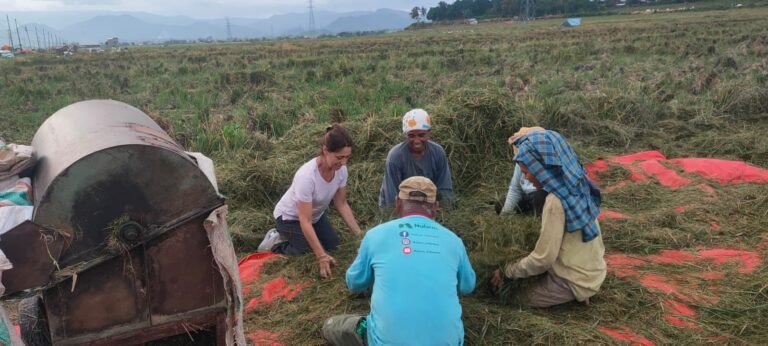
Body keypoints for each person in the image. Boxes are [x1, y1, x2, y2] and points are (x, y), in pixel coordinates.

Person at [323, 176, 476, 346]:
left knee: (331, 327)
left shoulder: (375, 235)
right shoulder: (453, 240)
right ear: (435, 207)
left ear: (397, 203)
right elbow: (467, 286)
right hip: (448, 341)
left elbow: (354, 283)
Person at [491, 130, 606, 308]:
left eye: (527, 172)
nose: (526, 178)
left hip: (573, 280)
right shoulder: (575, 181)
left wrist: (507, 270)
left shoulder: (555, 202)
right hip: (593, 270)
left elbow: (542, 260)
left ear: (541, 168)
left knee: (509, 294)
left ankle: (573, 295)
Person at [266, 124, 362, 278]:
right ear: (325, 150)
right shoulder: (307, 176)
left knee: (334, 247)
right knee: (308, 254)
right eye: (339, 157)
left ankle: (309, 243)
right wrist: (321, 256)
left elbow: (342, 204)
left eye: (347, 157)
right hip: (290, 218)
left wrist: (360, 236)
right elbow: (305, 220)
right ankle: (276, 243)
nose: (344, 162)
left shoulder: (341, 171)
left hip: (315, 216)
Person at [378, 108, 454, 210]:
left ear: (429, 133)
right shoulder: (395, 157)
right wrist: (395, 216)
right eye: (411, 136)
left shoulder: (438, 153)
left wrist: (444, 213)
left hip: (428, 204)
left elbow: (445, 188)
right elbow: (391, 195)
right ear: (406, 135)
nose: (417, 141)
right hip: (402, 205)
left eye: (421, 135)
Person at [499, 126, 548, 215]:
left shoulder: (546, 163)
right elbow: (515, 189)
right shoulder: (520, 163)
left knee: (540, 196)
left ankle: (539, 216)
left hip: (541, 197)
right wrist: (505, 213)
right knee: (500, 204)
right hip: (526, 196)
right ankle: (525, 212)